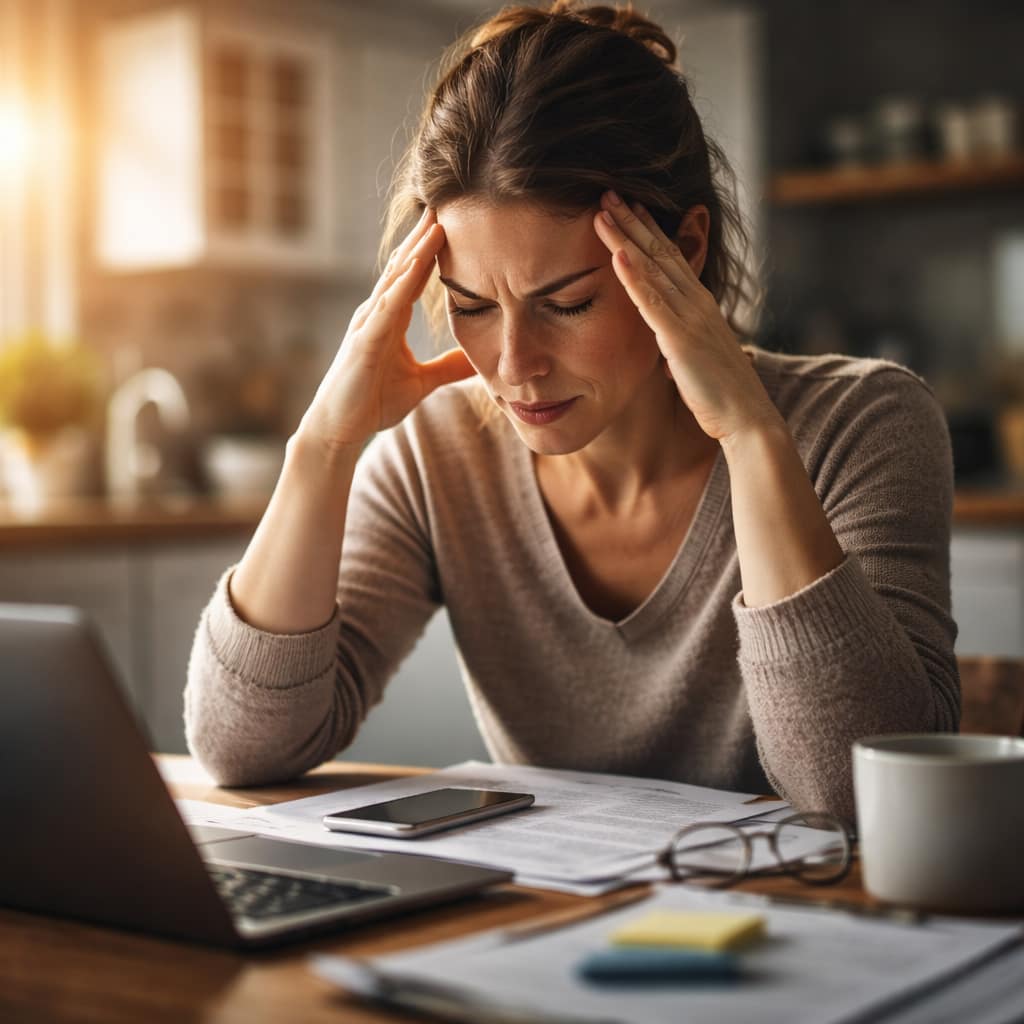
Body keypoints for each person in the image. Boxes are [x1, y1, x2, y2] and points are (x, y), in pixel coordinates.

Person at [185, 1, 958, 822]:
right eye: (472, 305)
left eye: (570, 302)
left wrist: (751, 437)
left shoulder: (864, 423)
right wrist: (322, 448)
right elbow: (240, 749)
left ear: (685, 250)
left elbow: (860, 791)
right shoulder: (436, 454)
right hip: (538, 924)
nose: (514, 368)